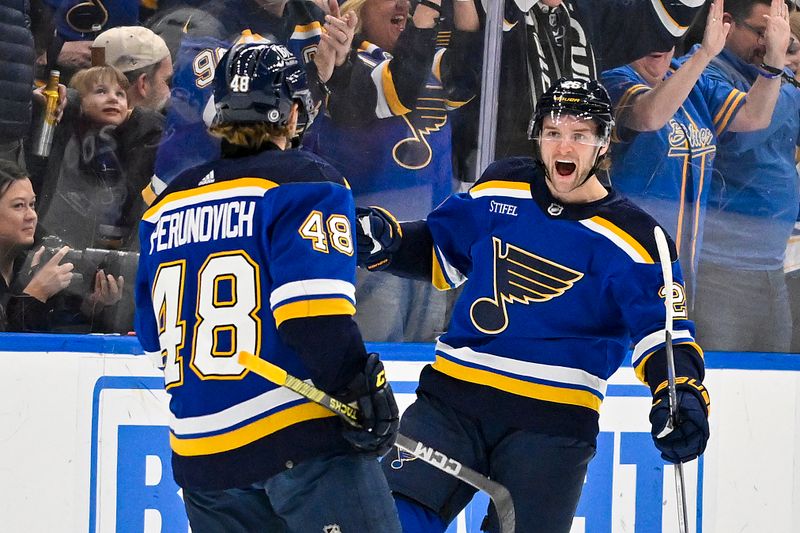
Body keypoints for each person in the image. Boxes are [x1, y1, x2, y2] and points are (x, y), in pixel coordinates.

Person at [356, 78, 711, 532]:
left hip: (552, 426)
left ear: (603, 144)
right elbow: (443, 247)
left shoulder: (638, 240)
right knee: (393, 522)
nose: (564, 145)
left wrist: (680, 393)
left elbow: (665, 335)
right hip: (452, 404)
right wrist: (390, 241)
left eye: (580, 135)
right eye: (553, 132)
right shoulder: (501, 187)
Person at [134, 42, 402, 532]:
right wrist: (361, 389)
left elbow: (154, 342)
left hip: (202, 458)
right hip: (297, 444)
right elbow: (312, 315)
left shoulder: (164, 206)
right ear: (294, 111)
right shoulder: (304, 181)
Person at [304, 0, 480, 341]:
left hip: (428, 241)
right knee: (378, 353)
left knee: (424, 357)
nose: (404, 3)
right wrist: (426, 13)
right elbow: (400, 88)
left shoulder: (423, 56)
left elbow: (465, 76)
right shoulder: (344, 63)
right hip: (370, 245)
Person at [601, 0, 787, 304]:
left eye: (668, 38)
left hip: (683, 269)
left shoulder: (691, 80)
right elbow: (649, 116)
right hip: (627, 264)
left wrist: (774, 62)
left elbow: (754, 116)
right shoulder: (612, 78)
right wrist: (703, 55)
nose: (660, 46)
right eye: (650, 36)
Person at [452, 0, 709, 181]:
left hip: (579, 193)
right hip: (504, 192)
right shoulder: (486, 10)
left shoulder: (585, 10)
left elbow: (663, 25)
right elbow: (462, 82)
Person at [679, 0, 797, 352]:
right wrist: (778, 68)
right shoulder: (699, 72)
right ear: (726, 23)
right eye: (762, 32)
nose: (770, 42)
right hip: (720, 270)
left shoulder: (770, 75)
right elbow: (744, 133)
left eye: (780, 33)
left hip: (774, 268)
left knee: (775, 390)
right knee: (720, 387)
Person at [35, 64, 163, 251]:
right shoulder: (67, 134)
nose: (113, 98)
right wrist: (68, 99)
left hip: (125, 245)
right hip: (67, 244)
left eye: (120, 94)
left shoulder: (142, 136)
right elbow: (67, 101)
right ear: (81, 100)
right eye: (101, 92)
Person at [0, 159, 122, 332]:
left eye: (32, 204)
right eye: (19, 205)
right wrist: (37, 293)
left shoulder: (29, 266)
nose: (31, 216)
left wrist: (91, 310)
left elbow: (55, 344)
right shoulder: (35, 278)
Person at [92, 26, 174, 112]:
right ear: (143, 84)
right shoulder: (159, 123)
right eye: (167, 81)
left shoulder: (80, 116)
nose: (171, 93)